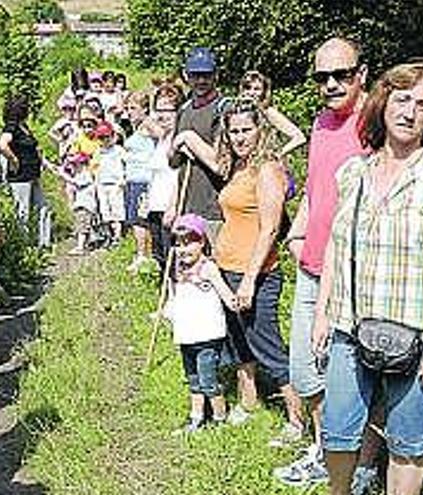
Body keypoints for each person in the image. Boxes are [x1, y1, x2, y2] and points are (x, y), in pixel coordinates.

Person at [311, 60, 423, 495]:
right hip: (349, 325)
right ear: (383, 103)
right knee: (338, 432)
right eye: (402, 99)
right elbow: (334, 247)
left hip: (415, 331)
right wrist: (323, 314)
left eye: (422, 105)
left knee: (407, 441)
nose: (409, 112)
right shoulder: (354, 172)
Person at [274, 37, 378, 488]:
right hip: (311, 267)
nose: (331, 84)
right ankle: (327, 450)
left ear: (363, 72)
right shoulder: (319, 123)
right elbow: (318, 192)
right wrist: (297, 236)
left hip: (355, 276)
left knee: (357, 378)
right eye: (322, 77)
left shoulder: (376, 123)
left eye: (341, 73)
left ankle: (364, 465)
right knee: (304, 369)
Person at [179, 100, 304, 435]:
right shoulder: (237, 167)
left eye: (246, 129)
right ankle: (248, 401)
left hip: (257, 274)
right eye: (233, 131)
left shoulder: (268, 169)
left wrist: (249, 280)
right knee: (238, 345)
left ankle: (298, 419)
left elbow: (270, 228)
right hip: (226, 268)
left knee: (268, 347)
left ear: (260, 129)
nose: (239, 137)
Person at [166, 213, 238, 433]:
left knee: (208, 379)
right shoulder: (176, 269)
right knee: (193, 379)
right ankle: (196, 417)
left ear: (202, 242)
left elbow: (225, 293)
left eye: (189, 243)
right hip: (186, 334)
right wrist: (167, 312)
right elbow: (173, 297)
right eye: (178, 244)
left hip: (207, 335)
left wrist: (235, 302)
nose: (183, 249)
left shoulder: (208, 268)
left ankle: (219, 418)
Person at [169, 47, 232, 239]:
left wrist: (188, 138)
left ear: (216, 76)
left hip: (214, 209)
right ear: (186, 76)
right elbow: (173, 163)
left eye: (206, 75)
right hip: (186, 206)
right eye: (195, 75)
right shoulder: (184, 109)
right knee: (187, 266)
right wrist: (173, 204)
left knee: (212, 267)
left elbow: (221, 165)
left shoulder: (223, 110)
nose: (201, 81)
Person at [0, 94, 51, 247]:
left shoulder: (23, 126)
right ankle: (23, 246)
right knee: (23, 212)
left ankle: (43, 244)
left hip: (33, 174)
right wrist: (14, 160)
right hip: (20, 177)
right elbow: (2, 144)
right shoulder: (12, 126)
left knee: (44, 208)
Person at [146, 82, 184, 272]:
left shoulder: (180, 140)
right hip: (155, 207)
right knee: (160, 257)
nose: (162, 114)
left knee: (173, 260)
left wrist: (173, 206)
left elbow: (180, 175)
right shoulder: (162, 138)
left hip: (170, 209)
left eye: (168, 109)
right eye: (158, 109)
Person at [122, 91, 157, 271]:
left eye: (133, 108)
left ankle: (144, 255)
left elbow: (163, 136)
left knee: (140, 220)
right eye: (127, 108)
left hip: (143, 179)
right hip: (133, 178)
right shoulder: (137, 127)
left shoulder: (148, 124)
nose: (129, 112)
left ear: (144, 108)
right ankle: (141, 254)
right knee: (135, 220)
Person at [239, 70, 307, 159]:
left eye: (257, 89)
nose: (251, 93)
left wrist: (277, 155)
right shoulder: (236, 111)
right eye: (248, 87)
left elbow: (299, 138)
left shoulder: (267, 111)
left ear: (263, 92)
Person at [91, 120, 127, 243]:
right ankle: (109, 235)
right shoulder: (98, 152)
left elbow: (128, 163)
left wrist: (123, 179)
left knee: (117, 210)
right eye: (101, 137)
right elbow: (94, 168)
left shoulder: (118, 150)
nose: (104, 140)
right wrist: (95, 181)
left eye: (106, 137)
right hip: (101, 184)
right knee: (105, 211)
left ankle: (118, 235)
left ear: (112, 136)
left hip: (115, 184)